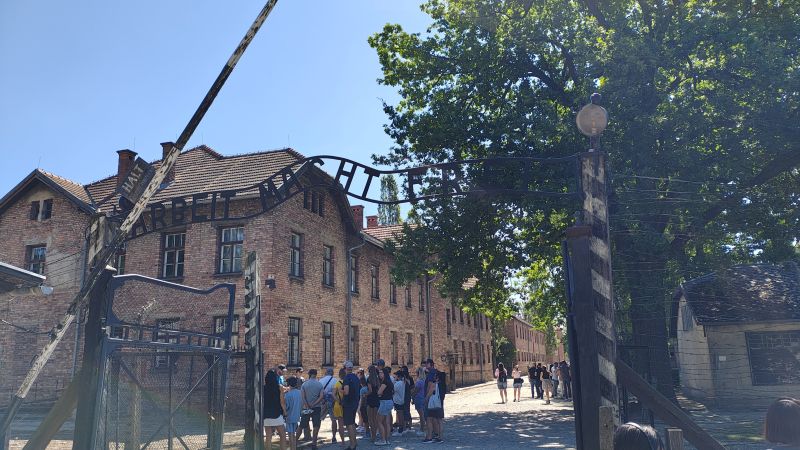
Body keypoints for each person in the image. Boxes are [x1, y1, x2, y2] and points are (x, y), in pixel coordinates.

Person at [298, 368, 324, 450]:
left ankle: (294, 442)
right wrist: (314, 403)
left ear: (309, 374)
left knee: (302, 425)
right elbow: (321, 396)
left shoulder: (304, 384)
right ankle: (314, 444)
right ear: (316, 374)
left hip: (306, 407)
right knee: (316, 425)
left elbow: (303, 397)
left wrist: (307, 405)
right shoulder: (319, 384)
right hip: (316, 407)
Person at [263, 370, 287, 450]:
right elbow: (282, 402)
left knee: (268, 437)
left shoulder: (263, 388)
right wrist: (285, 412)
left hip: (266, 414)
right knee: (282, 435)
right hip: (276, 413)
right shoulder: (279, 387)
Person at [423, 360, 445, 444]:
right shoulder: (440, 382)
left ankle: (429, 437)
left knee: (429, 418)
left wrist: (426, 399)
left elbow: (430, 388)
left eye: (426, 363)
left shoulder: (432, 378)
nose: (425, 365)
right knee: (439, 420)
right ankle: (440, 437)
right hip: (439, 402)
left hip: (432, 401)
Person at [341, 361, 361, 450]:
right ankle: (354, 442)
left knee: (349, 425)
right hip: (355, 403)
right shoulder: (356, 377)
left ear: (345, 368)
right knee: (352, 423)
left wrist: (340, 391)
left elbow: (346, 391)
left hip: (348, 403)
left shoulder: (346, 378)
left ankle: (352, 445)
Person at [376, 367, 395, 446]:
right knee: (386, 422)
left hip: (384, 402)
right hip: (389, 401)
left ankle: (383, 440)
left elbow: (379, 392)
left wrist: (379, 393)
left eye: (381, 373)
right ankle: (386, 439)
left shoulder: (385, 382)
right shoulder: (389, 381)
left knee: (379, 421)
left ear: (384, 374)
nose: (379, 374)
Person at [318, 368, 337, 437]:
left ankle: (316, 435)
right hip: (332, 401)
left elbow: (319, 392)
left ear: (326, 373)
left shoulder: (321, 380)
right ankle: (334, 436)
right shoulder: (335, 380)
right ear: (332, 373)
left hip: (323, 401)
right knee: (334, 419)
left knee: (319, 418)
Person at [284, 377, 302, 450]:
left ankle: (292, 448)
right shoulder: (300, 392)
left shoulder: (288, 394)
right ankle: (294, 447)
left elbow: (286, 406)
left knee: (290, 434)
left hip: (289, 416)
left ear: (288, 384)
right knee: (294, 433)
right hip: (297, 415)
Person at [366, 365, 381, 444]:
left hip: (370, 399)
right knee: (375, 419)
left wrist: (365, 394)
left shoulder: (369, 379)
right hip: (376, 399)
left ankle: (373, 436)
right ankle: (375, 435)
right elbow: (378, 390)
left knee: (370, 419)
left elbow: (370, 390)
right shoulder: (377, 379)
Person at [332, 368, 346, 444]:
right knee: (350, 423)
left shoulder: (337, 383)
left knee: (340, 424)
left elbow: (333, 394)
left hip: (338, 405)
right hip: (347, 405)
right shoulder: (348, 383)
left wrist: (338, 400)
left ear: (339, 375)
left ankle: (343, 441)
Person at [413, 366, 427, 436]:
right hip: (423, 398)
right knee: (423, 415)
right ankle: (424, 428)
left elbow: (415, 391)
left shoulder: (419, 382)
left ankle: (422, 429)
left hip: (419, 398)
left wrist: (412, 395)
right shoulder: (425, 381)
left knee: (421, 415)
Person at [392, 370, 406, 436]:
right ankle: (402, 428)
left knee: (399, 415)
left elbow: (393, 391)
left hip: (398, 401)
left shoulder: (397, 384)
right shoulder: (403, 382)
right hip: (402, 400)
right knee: (401, 415)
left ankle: (400, 430)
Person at [401, 365, 414, 434]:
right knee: (403, 411)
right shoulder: (401, 378)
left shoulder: (410, 378)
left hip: (407, 396)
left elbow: (412, 387)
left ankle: (408, 426)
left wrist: (411, 396)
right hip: (402, 396)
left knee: (407, 410)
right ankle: (404, 425)